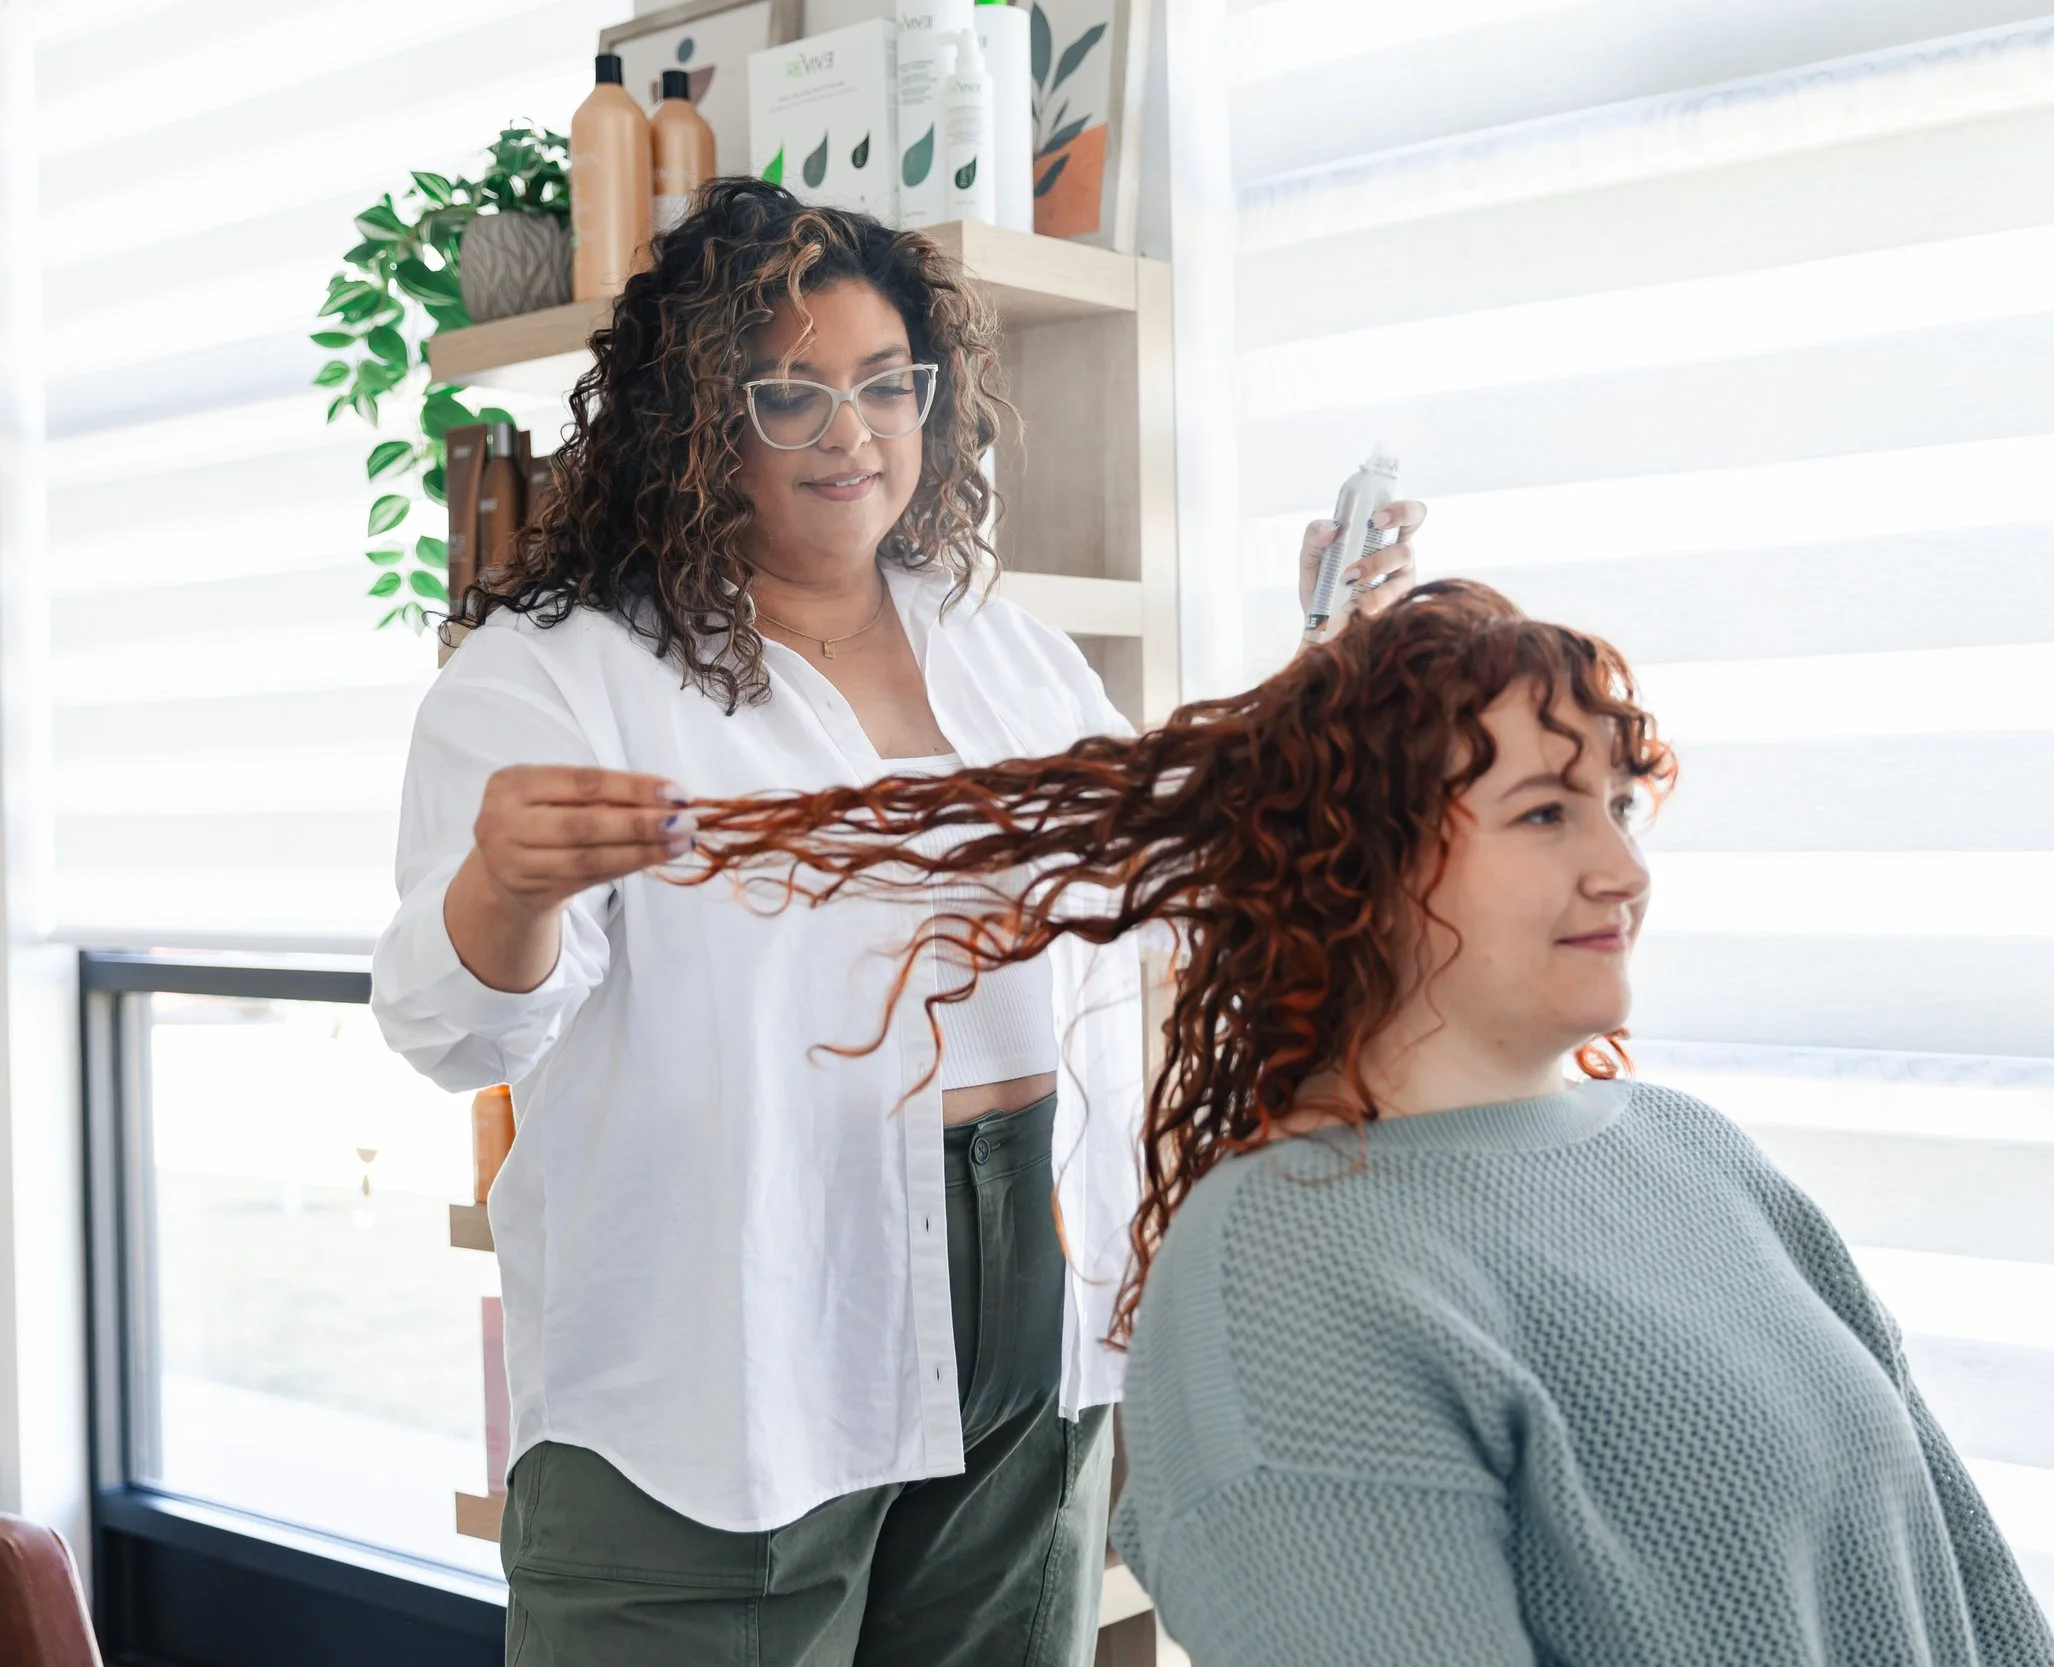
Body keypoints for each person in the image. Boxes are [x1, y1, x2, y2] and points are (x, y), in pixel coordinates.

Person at [368, 178, 1419, 1667]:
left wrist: (1326, 672)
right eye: (789, 393)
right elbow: (453, 1026)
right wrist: (506, 888)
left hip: (1027, 1297)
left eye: (883, 385)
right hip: (724, 1333)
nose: (850, 432)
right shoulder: (557, 676)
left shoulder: (1002, 650)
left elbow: (1161, 870)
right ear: (691, 422)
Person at [676, 579, 2054, 1667]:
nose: (1623, 867)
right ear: (1372, 861)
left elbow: (1973, 1593)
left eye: (1623, 805)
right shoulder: (1290, 1266)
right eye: (1543, 813)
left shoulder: (1697, 1156)